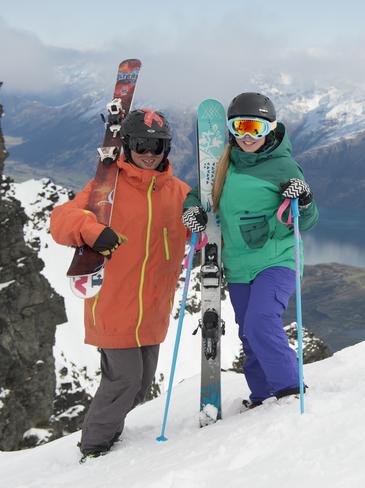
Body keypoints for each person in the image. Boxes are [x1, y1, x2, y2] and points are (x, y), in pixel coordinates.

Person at [50, 109, 190, 461]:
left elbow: (201, 231)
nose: (149, 152)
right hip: (112, 305)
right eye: (142, 143)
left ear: (167, 149)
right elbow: (61, 220)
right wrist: (92, 230)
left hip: (153, 311)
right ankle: (94, 448)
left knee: (140, 386)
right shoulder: (106, 187)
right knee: (124, 381)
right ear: (127, 144)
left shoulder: (179, 193)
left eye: (157, 145)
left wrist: (202, 221)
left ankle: (109, 437)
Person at [182, 92, 319, 408]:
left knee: (261, 322)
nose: (247, 136)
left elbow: (307, 221)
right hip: (238, 265)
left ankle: (289, 389)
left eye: (255, 128)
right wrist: (191, 211)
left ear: (270, 128)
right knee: (249, 333)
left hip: (277, 259)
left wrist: (305, 198)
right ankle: (262, 395)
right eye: (240, 126)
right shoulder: (224, 163)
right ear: (231, 128)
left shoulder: (283, 165)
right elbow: (198, 194)